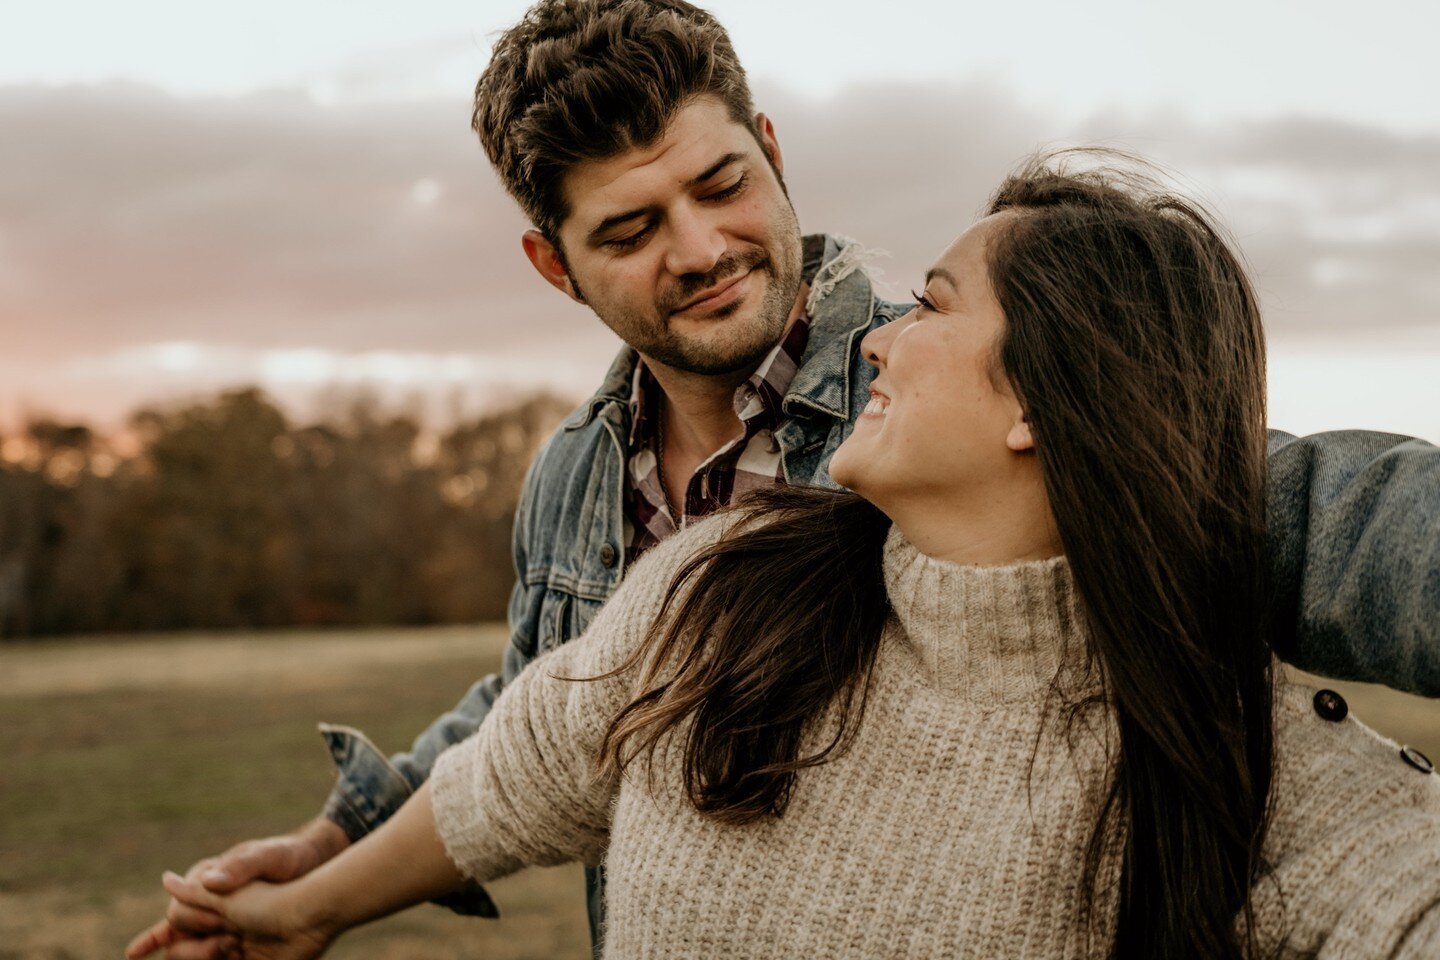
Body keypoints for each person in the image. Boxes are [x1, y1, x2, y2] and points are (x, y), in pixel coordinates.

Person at [128, 1, 1440, 958]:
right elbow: (554, 710)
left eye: (721, 184)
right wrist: (342, 841)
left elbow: (1322, 517)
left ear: (769, 143)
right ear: (555, 265)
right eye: (633, 231)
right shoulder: (579, 478)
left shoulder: (966, 394)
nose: (701, 248)